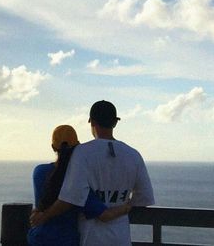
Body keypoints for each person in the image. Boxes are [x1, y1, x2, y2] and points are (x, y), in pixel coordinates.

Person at [31, 101, 155, 245]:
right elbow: (144, 197)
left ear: (92, 122)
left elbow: (72, 196)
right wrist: (126, 205)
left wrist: (43, 216)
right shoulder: (134, 155)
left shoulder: (82, 152)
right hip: (121, 237)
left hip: (91, 238)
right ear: (115, 123)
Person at [27, 124, 131, 246]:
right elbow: (105, 215)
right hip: (66, 241)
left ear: (53, 147)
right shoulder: (78, 179)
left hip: (38, 238)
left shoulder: (39, 172)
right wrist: (128, 205)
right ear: (77, 146)